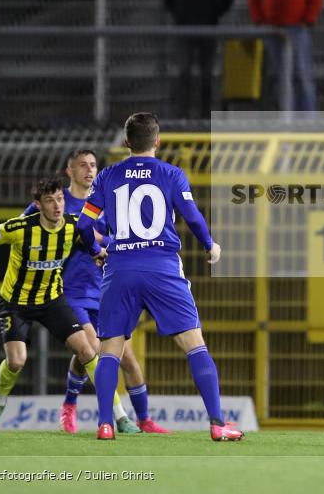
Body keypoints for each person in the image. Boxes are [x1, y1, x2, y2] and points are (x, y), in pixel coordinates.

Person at [77, 112, 241, 441]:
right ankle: (217, 423)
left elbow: (83, 225)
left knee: (110, 350)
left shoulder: (108, 175)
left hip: (120, 269)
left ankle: (106, 425)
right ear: (158, 141)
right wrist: (210, 245)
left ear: (126, 143)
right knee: (195, 346)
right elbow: (192, 217)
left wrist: (96, 252)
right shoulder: (171, 174)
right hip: (161, 267)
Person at [0, 178, 105, 432]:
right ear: (38, 204)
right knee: (17, 361)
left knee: (87, 349)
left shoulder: (73, 225)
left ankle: (117, 415)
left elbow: (96, 241)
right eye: (49, 200)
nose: (57, 205)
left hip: (51, 300)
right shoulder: (20, 228)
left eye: (60, 198)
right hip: (17, 303)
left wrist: (101, 252)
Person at [22, 149, 168, 435]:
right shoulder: (58, 200)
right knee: (95, 349)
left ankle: (145, 420)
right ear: (69, 171)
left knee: (126, 360)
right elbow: (23, 224)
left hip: (105, 290)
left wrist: (102, 239)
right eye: (82, 165)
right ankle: (101, 415)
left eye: (92, 165)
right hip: (70, 292)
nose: (89, 170)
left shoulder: (106, 199)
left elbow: (123, 237)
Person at [164, 0, 233, 118]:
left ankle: (205, 117)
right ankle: (182, 116)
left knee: (206, 77)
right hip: (184, 29)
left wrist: (213, 14)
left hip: (208, 29)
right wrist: (180, 14)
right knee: (184, 74)